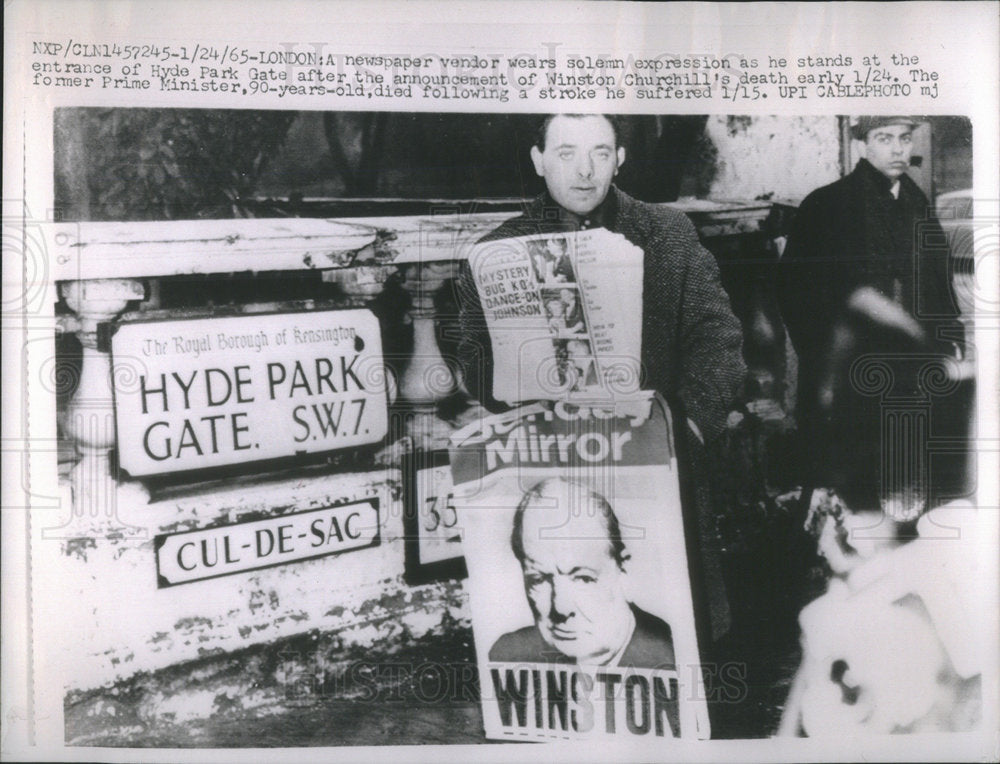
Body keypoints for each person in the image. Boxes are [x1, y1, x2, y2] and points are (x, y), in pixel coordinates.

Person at [457, 113, 746, 640]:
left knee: (680, 626)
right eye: (566, 153)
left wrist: (690, 429)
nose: (584, 171)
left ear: (620, 159)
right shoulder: (498, 251)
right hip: (553, 464)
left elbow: (717, 339)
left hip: (658, 456)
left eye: (600, 153)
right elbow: (472, 359)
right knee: (567, 619)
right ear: (538, 159)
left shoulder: (667, 233)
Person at [777, 116, 967, 503]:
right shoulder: (828, 204)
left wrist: (950, 339)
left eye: (904, 138)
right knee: (848, 485)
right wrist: (825, 355)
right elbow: (794, 289)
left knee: (909, 475)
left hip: (911, 366)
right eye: (885, 138)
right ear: (863, 145)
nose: (898, 148)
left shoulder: (917, 204)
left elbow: (938, 282)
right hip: (850, 368)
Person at [489, 478, 676, 672]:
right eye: (539, 579)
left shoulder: (676, 652)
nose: (561, 608)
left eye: (584, 578)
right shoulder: (506, 658)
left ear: (624, 571)